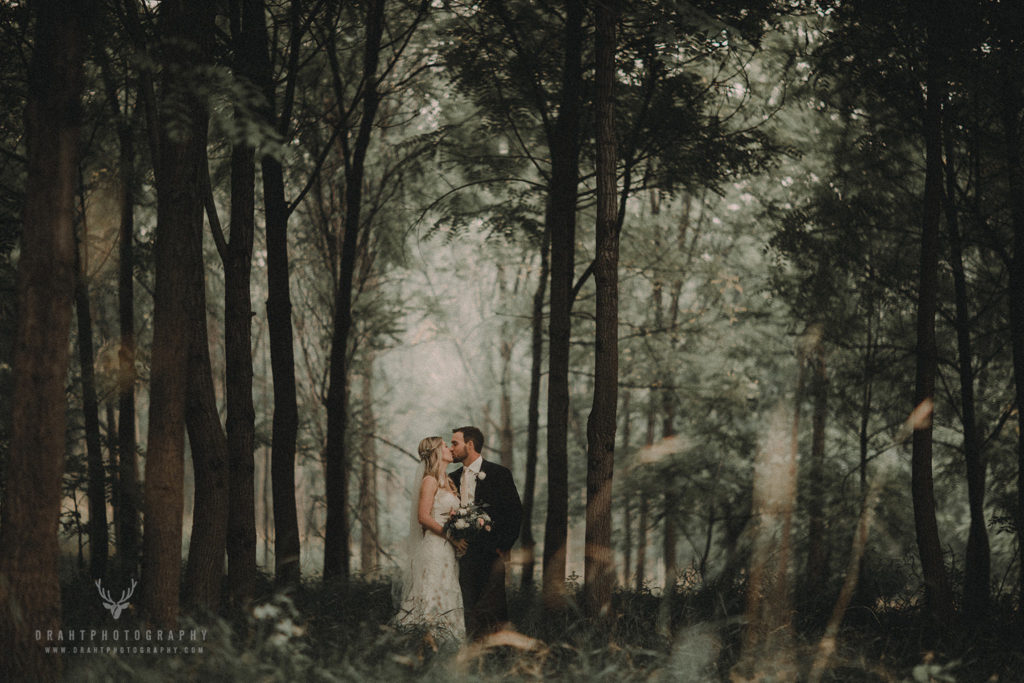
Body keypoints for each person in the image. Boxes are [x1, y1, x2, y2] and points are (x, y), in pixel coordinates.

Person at [450, 426, 523, 639]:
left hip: (491, 553)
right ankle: (470, 649)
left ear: (470, 444)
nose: (451, 448)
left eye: (455, 443)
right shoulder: (452, 478)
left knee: (494, 607)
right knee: (466, 606)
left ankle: (497, 651)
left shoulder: (499, 473)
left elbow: (514, 512)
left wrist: (502, 546)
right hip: (461, 554)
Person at [394, 436, 469, 643]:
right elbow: (423, 517)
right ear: (436, 452)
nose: (450, 449)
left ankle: (446, 640)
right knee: (432, 589)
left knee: (447, 589)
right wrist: (452, 537)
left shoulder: (449, 481)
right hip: (435, 547)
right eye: (445, 446)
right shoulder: (430, 480)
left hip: (448, 550)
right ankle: (423, 639)